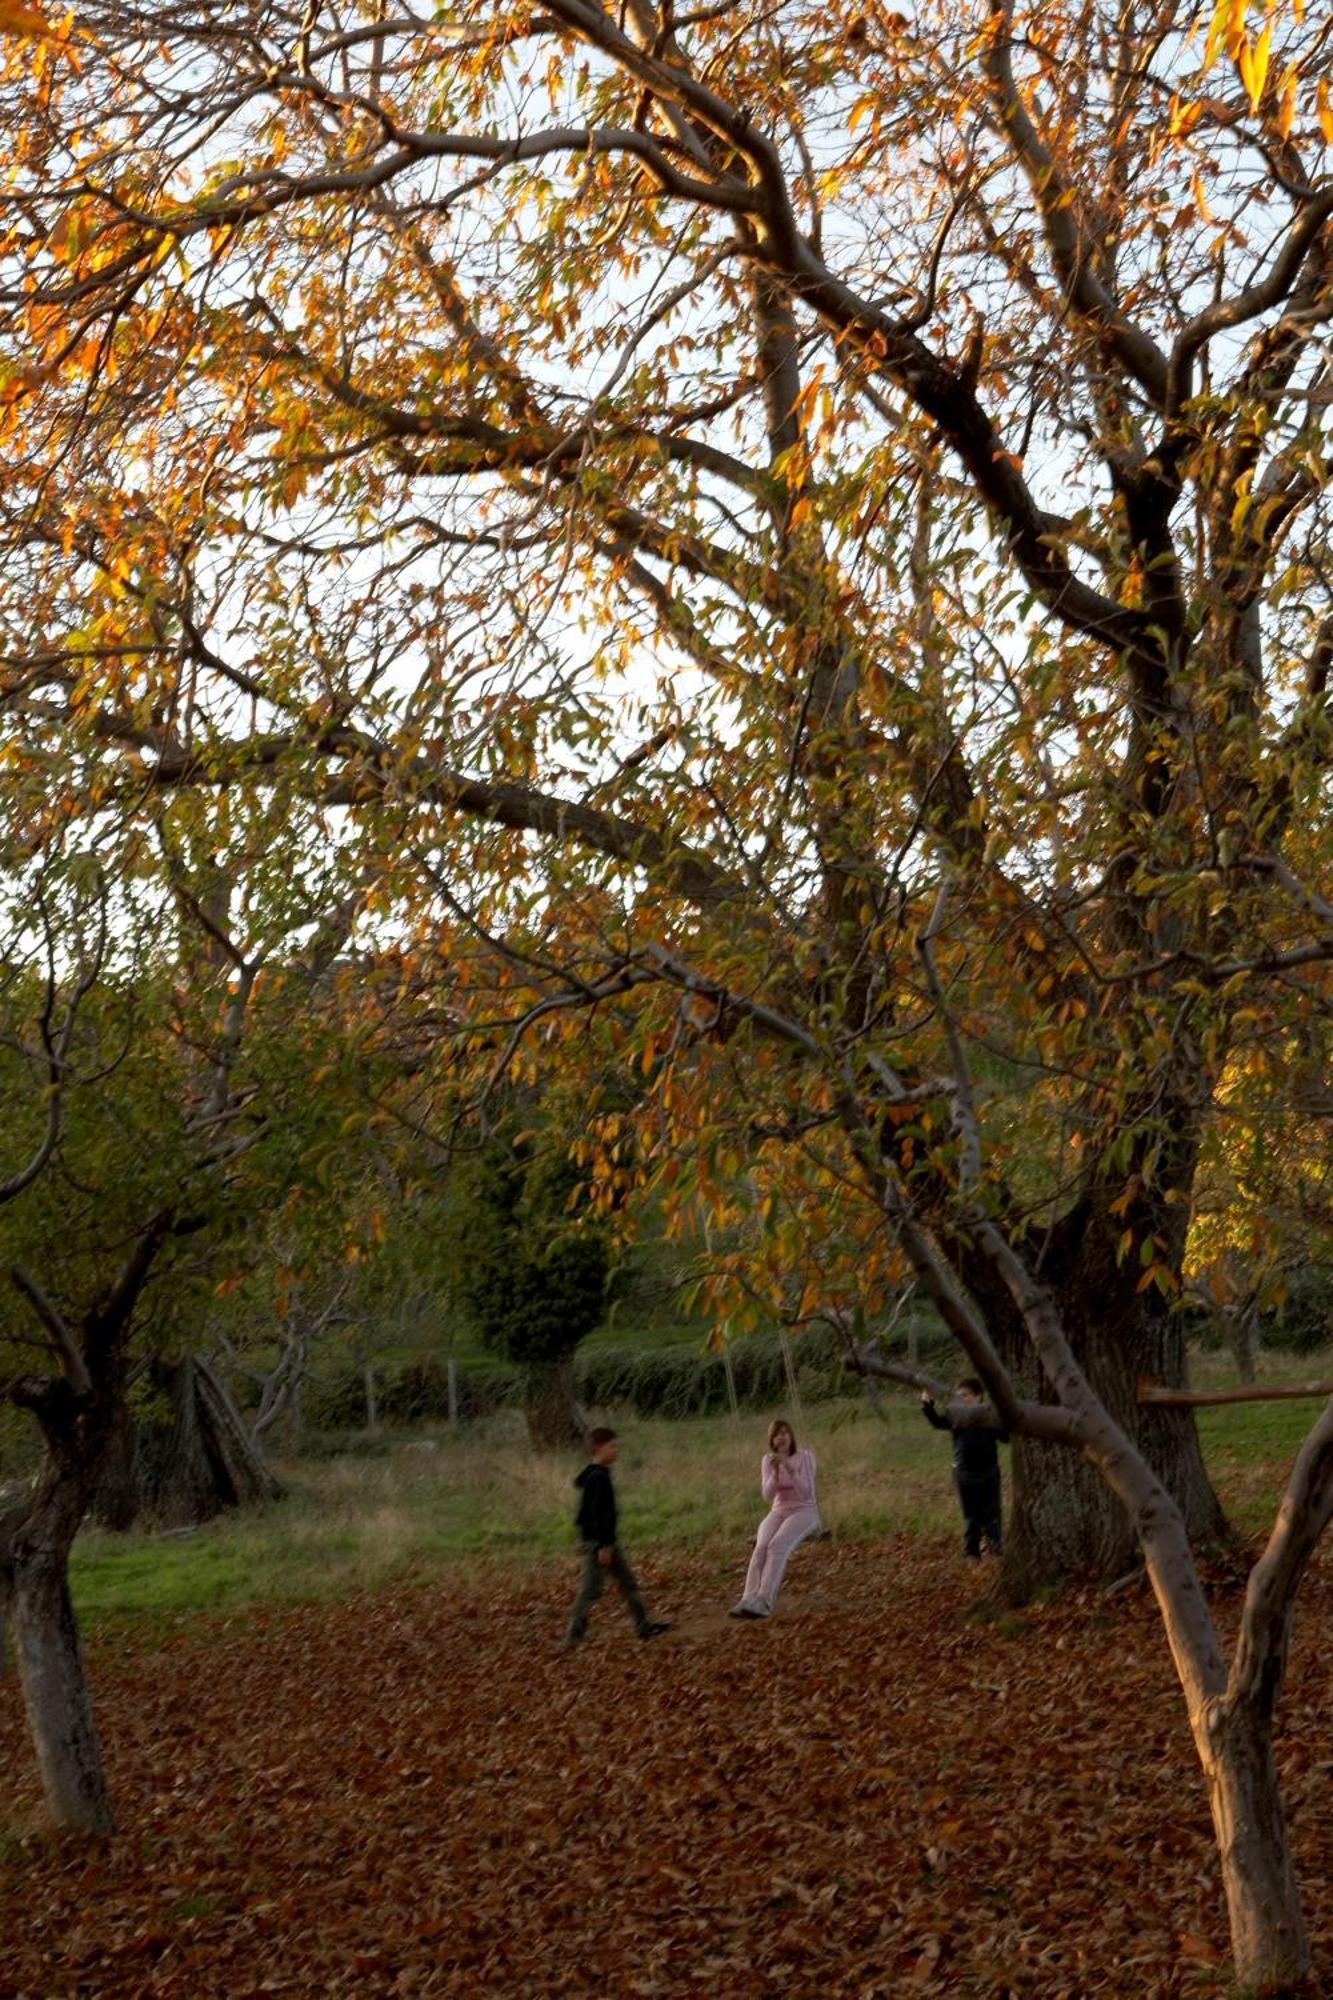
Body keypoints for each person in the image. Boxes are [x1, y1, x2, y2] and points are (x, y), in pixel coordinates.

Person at [564, 1427, 670, 1648]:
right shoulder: (597, 1478)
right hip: (601, 1544)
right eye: (612, 1447)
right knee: (590, 1590)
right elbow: (597, 1515)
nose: (616, 1451)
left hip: (606, 1542)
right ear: (598, 1448)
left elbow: (583, 1515)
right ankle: (573, 1637)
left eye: (616, 1446)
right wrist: (601, 1545)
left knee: (628, 1583)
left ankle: (643, 1626)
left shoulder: (596, 1475)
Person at [730, 1418, 820, 1619]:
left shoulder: (805, 1457)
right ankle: (748, 1598)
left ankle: (764, 1601)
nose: (782, 1437)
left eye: (786, 1432)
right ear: (772, 1440)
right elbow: (767, 1495)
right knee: (761, 1546)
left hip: (804, 1511)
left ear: (791, 1436)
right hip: (778, 1511)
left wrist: (789, 1467)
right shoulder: (767, 1461)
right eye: (778, 1434)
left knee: (777, 1545)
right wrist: (776, 1471)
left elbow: (806, 1493)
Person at [920, 1378, 1008, 1558]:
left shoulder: (989, 1416)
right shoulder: (956, 1415)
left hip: (988, 1473)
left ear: (979, 1397)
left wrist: (1003, 1418)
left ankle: (995, 1548)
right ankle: (971, 1553)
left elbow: (1006, 1438)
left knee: (991, 1514)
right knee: (971, 1516)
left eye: (966, 1396)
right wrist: (927, 1405)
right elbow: (937, 1422)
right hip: (964, 1474)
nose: (962, 1400)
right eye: (958, 1397)